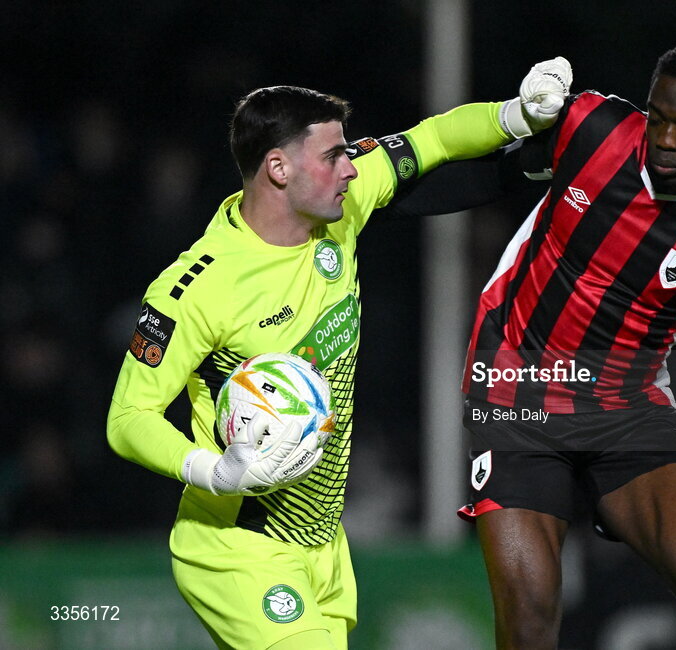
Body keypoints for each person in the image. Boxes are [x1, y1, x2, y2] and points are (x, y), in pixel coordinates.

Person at [106, 57, 572, 650]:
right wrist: (213, 471)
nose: (351, 168)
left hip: (323, 542)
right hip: (239, 548)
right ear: (278, 167)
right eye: (333, 156)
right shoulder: (194, 289)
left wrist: (515, 116)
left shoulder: (338, 210)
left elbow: (431, 139)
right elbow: (128, 420)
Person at [396, 39, 676, 649]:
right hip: (514, 394)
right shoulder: (592, 129)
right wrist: (356, 201)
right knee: (528, 619)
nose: (663, 140)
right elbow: (485, 177)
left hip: (624, 411)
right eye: (658, 118)